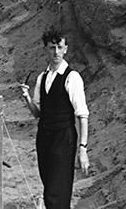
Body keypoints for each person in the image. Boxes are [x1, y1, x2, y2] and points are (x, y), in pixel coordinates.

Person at [19, 28, 90, 209]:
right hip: (44, 137)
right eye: (52, 47)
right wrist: (27, 97)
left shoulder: (72, 78)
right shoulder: (43, 77)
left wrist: (83, 149)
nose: (56, 52)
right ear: (46, 49)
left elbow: (82, 115)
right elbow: (38, 113)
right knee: (49, 186)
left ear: (66, 49)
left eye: (60, 47)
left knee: (57, 191)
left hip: (63, 137)